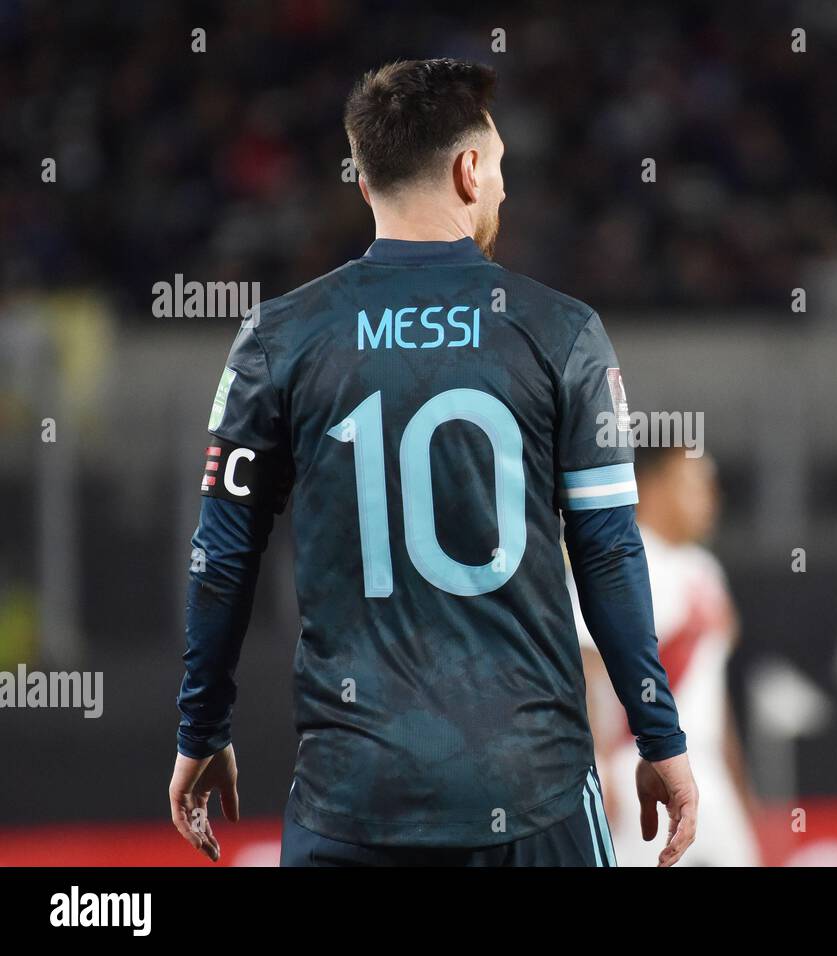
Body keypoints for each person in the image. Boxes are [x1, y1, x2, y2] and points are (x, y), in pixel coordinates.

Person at [168, 58, 696, 867]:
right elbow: (609, 550)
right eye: (502, 168)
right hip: (532, 790)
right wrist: (658, 731)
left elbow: (221, 558)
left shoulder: (279, 338)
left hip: (352, 795)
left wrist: (201, 728)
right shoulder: (562, 333)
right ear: (468, 168)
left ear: (366, 180)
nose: (506, 192)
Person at [573, 447, 759, 865]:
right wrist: (599, 770)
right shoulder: (621, 563)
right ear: (654, 488)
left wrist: (740, 782)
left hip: (709, 772)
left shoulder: (706, 570)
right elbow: (587, 673)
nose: (711, 499)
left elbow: (713, 691)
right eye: (695, 485)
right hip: (644, 767)